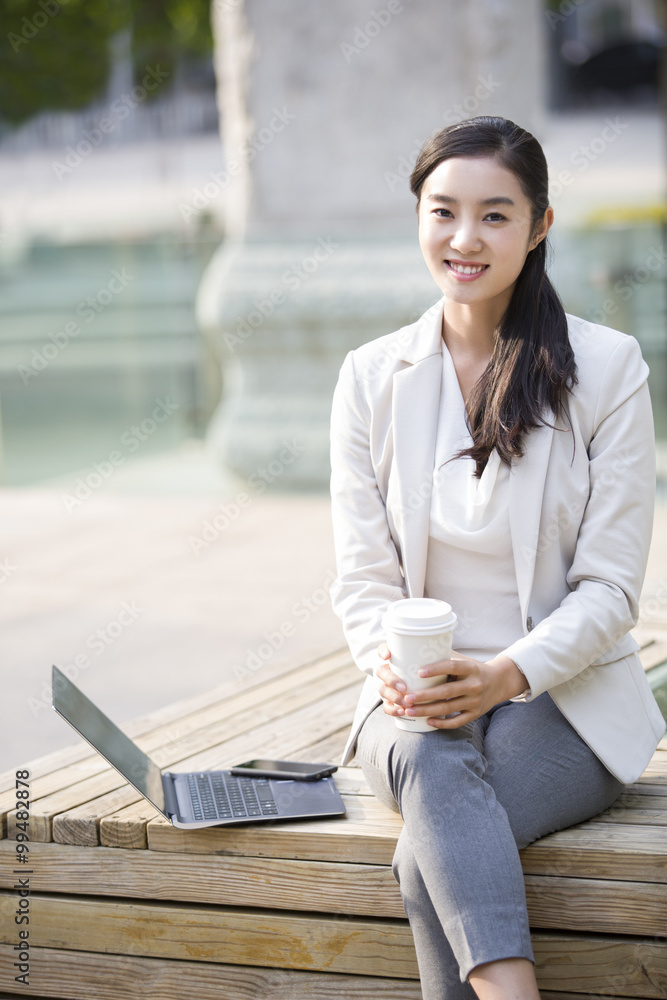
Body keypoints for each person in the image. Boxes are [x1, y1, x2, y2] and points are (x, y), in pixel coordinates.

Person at [328, 116, 665, 1000]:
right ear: (417, 217)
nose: (464, 239)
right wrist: (398, 677)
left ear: (540, 225)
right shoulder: (371, 376)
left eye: (495, 216)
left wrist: (504, 676)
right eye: (443, 212)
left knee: (424, 860)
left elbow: (609, 593)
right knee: (433, 752)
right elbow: (362, 581)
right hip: (410, 701)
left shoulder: (606, 368)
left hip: (561, 696)